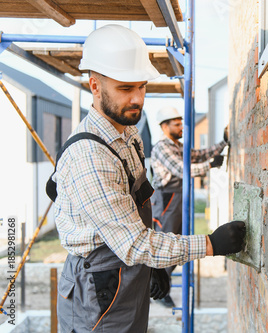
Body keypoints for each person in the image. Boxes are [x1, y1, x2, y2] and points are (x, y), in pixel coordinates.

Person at [49, 24, 245, 332]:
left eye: (141, 86)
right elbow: (134, 245)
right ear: (95, 86)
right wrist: (209, 244)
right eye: (126, 89)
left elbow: (133, 230)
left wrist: (152, 267)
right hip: (98, 283)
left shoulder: (128, 134)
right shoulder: (90, 156)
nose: (138, 98)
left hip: (125, 266)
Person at [150, 106, 228, 307]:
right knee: (166, 242)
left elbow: (199, 154)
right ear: (164, 126)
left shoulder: (177, 145)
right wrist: (210, 165)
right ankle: (156, 287)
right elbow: (182, 169)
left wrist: (223, 143)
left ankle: (162, 284)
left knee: (177, 241)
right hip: (167, 199)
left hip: (177, 198)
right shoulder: (162, 147)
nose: (181, 127)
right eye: (176, 124)